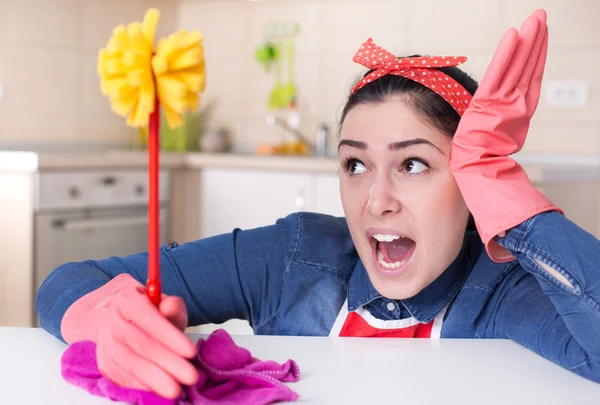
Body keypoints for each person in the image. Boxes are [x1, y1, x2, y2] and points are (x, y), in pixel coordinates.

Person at [35, 9, 600, 400]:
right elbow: (67, 282)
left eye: (412, 164)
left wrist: (501, 185)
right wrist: (103, 318)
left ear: (469, 183)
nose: (377, 200)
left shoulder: (502, 289)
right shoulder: (294, 257)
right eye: (355, 164)